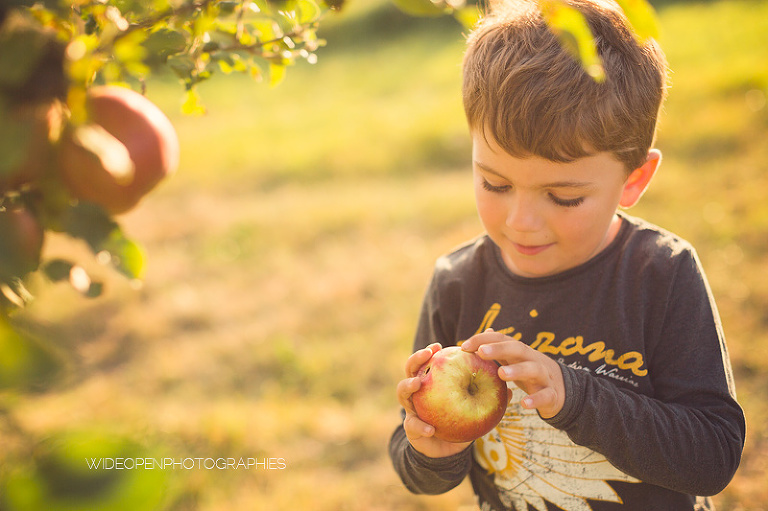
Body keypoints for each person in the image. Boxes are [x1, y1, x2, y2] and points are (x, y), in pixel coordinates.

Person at [388, 0, 746, 510]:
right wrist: (431, 448)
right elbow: (417, 471)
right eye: (495, 183)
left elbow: (713, 457)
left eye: (565, 197)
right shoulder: (457, 281)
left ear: (634, 179)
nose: (521, 221)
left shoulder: (660, 273)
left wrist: (574, 397)